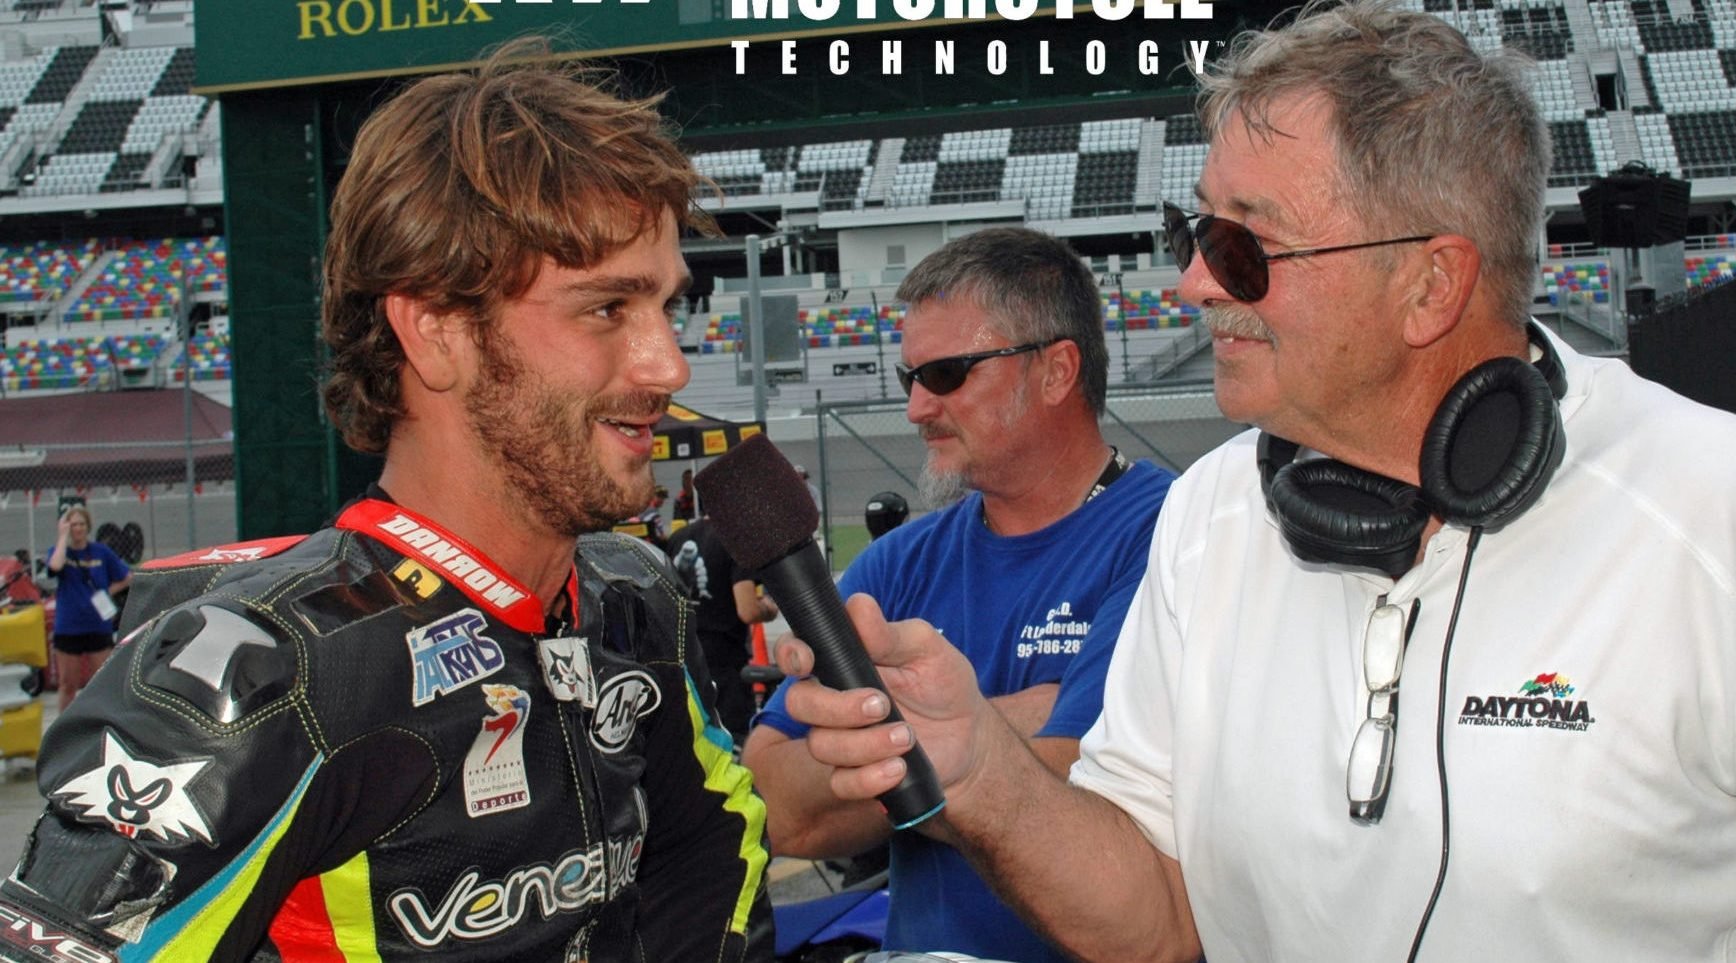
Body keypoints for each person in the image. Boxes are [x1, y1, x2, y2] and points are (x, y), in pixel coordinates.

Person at [772, 4, 1736, 962]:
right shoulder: (1209, 519)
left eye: (1243, 246)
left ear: (1429, 286)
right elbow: (1158, 917)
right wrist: (984, 774)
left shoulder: (1735, 525)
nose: (1192, 286)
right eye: (1193, 232)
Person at [0, 42, 771, 962]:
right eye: (607, 309)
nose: (670, 365)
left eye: (667, 307)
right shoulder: (261, 678)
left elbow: (716, 857)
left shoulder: (633, 596)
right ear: (436, 331)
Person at [744, 226, 1177, 962]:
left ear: (1056, 371)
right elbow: (777, 809)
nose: (917, 407)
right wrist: (1015, 718)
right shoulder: (897, 564)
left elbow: (1091, 786)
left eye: (945, 374)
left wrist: (881, 746)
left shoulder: (1171, 535)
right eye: (909, 377)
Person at [667, 513, 779, 742]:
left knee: (690, 737)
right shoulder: (736, 539)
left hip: (681, 654)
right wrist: (768, 608)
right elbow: (747, 610)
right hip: (724, 660)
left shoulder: (679, 537)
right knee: (732, 738)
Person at [43, 503, 130, 709]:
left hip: (97, 624)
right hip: (69, 627)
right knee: (68, 684)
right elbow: (55, 566)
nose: (78, 528)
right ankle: (65, 725)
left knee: (102, 681)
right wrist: (62, 537)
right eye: (73, 525)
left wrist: (107, 591)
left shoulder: (101, 552)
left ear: (88, 526)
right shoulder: (59, 552)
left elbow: (127, 577)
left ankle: (102, 721)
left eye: (81, 524)